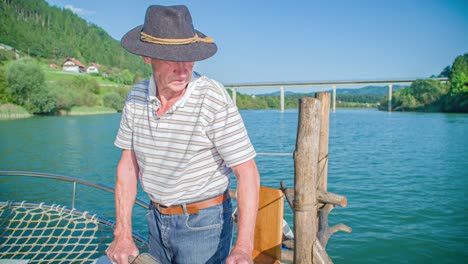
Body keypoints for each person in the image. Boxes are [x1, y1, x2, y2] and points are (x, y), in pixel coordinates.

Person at [105, 5, 260, 264]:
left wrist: (243, 246)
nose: (183, 68)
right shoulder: (135, 98)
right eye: (171, 57)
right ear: (147, 57)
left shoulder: (212, 98)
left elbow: (247, 172)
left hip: (205, 225)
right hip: (155, 217)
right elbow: (128, 168)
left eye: (188, 56)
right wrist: (123, 232)